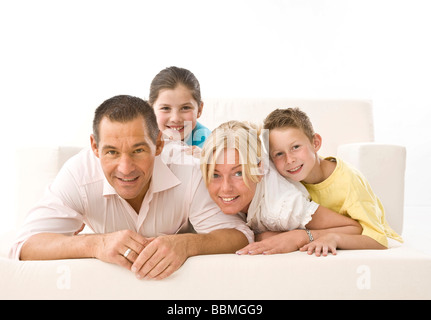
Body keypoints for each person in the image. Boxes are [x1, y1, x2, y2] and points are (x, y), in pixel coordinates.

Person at [9, 95, 253, 280]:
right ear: (95, 147)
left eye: (138, 150)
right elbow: (25, 246)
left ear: (158, 144)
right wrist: (96, 244)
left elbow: (238, 235)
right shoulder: (78, 174)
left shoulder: (189, 169)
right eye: (111, 152)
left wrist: (187, 244)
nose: (125, 168)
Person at [200, 120, 363, 256]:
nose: (225, 188)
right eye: (215, 175)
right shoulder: (201, 177)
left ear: (258, 170)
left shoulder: (284, 206)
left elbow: (354, 228)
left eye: (238, 173)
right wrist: (259, 236)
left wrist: (301, 236)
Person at [263, 107, 403, 255]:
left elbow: (378, 240)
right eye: (279, 154)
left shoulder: (348, 181)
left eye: (296, 147)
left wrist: (334, 238)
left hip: (364, 238)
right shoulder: (284, 180)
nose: (289, 159)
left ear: (315, 143)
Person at [149, 66, 211, 149]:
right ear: (150, 110)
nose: (175, 119)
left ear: (199, 110)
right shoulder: (141, 139)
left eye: (185, 108)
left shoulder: (212, 147)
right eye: (165, 108)